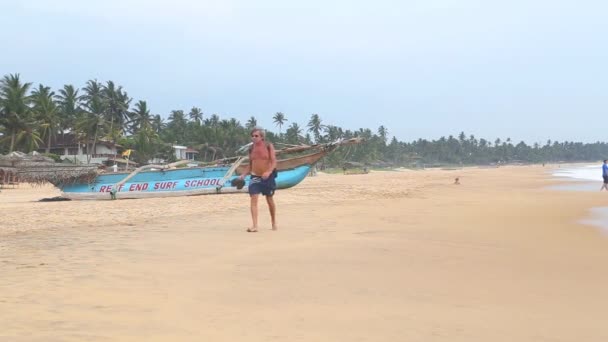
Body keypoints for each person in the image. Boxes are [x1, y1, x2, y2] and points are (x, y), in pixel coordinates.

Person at [239, 128, 278, 232]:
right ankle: (255, 225)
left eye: (256, 136)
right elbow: (251, 164)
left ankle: (273, 222)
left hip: (267, 177)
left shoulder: (268, 146)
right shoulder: (251, 148)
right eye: (252, 136)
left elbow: (274, 162)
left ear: (262, 137)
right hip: (255, 177)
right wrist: (243, 174)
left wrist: (269, 172)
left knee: (269, 199)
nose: (254, 137)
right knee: (253, 198)